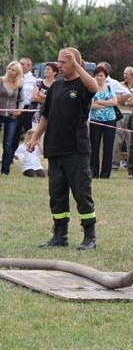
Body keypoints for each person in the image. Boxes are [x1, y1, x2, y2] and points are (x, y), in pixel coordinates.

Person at [27, 47, 100, 250]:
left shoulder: (83, 84)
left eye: (64, 62)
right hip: (55, 148)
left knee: (81, 194)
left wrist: (77, 64)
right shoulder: (56, 87)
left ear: (75, 63)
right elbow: (46, 116)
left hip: (76, 149)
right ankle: (60, 235)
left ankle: (89, 237)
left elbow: (94, 87)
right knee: (57, 195)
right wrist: (35, 136)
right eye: (59, 61)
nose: (59, 65)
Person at [88, 65, 119, 179]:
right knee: (94, 146)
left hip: (110, 120)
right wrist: (106, 103)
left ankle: (106, 174)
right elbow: (91, 105)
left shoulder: (110, 88)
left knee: (108, 147)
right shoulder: (92, 88)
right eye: (97, 75)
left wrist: (100, 102)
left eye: (101, 75)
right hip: (95, 120)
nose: (99, 78)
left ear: (105, 77)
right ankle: (94, 172)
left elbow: (114, 102)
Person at [113, 66, 133, 171]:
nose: (124, 75)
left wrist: (127, 100)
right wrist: (130, 100)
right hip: (120, 114)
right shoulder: (119, 85)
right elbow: (116, 100)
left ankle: (131, 165)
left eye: (127, 74)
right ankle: (114, 164)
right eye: (124, 73)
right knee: (117, 140)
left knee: (131, 141)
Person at [0, 61, 24, 176]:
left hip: (12, 117)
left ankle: (5, 171)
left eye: (13, 70)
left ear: (17, 73)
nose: (10, 71)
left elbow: (23, 100)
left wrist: (19, 110)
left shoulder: (20, 84)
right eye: (9, 68)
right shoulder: (0, 81)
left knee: (8, 144)